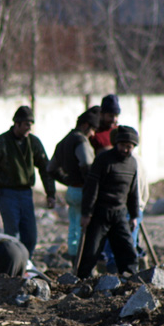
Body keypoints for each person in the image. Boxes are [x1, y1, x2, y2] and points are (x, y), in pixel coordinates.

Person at [0, 106, 56, 255]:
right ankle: (13, 265)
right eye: (26, 124)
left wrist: (50, 193)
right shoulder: (0, 143)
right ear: (17, 124)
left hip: (26, 193)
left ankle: (26, 264)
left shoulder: (33, 143)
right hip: (6, 193)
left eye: (30, 125)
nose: (28, 128)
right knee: (12, 233)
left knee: (30, 236)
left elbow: (46, 168)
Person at [77, 125, 140, 279]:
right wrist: (86, 213)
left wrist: (134, 215)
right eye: (123, 146)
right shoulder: (104, 160)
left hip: (119, 214)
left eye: (129, 147)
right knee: (91, 251)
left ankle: (130, 280)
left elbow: (133, 191)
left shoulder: (132, 163)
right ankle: (82, 280)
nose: (126, 150)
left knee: (127, 250)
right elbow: (91, 189)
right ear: (117, 143)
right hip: (100, 213)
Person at [48, 108, 99, 258]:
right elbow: (86, 165)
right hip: (82, 191)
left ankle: (73, 255)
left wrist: (67, 180)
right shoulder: (80, 141)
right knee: (85, 226)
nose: (93, 134)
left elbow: (50, 168)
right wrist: (91, 186)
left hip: (71, 190)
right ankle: (83, 258)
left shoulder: (63, 142)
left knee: (74, 226)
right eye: (92, 129)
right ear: (85, 126)